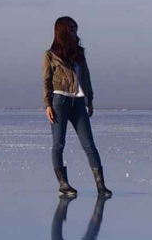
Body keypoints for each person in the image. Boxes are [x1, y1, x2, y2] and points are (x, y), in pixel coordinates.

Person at [43, 16, 111, 199]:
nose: (74, 31)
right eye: (71, 28)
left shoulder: (79, 52)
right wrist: (47, 104)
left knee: (89, 145)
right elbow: (46, 81)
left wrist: (90, 100)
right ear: (62, 30)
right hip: (59, 102)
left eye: (75, 28)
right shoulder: (50, 54)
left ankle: (101, 186)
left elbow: (86, 77)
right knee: (58, 144)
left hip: (79, 102)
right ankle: (63, 185)